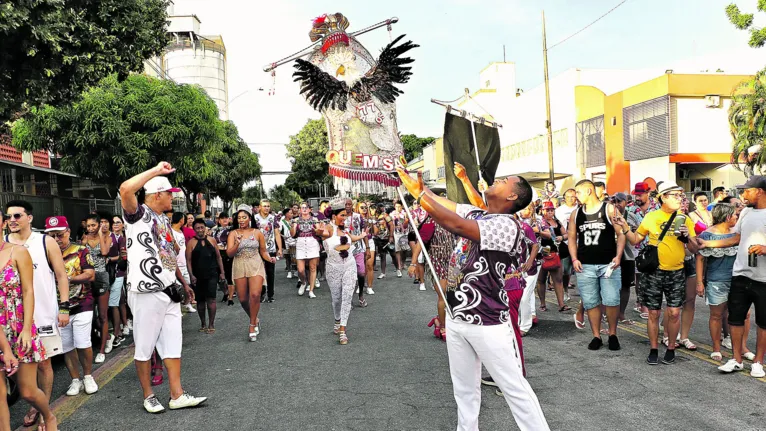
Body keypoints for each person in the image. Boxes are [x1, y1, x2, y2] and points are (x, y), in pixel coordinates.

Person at [397, 167, 549, 431]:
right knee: (464, 390)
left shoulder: (507, 225)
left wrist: (419, 196)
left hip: (487, 321)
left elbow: (454, 223)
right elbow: (446, 204)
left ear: (512, 196)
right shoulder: (479, 213)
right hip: (458, 318)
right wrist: (418, 188)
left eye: (503, 181)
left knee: (514, 388)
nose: (496, 181)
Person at [120, 162, 206, 413]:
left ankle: (176, 394)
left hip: (169, 291)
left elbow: (168, 256)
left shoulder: (162, 220)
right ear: (157, 194)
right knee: (145, 346)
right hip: (146, 291)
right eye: (170, 193)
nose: (173, 197)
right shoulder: (138, 214)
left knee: (172, 343)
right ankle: (148, 395)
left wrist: (181, 282)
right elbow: (125, 188)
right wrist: (157, 171)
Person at [616, 181, 699, 365]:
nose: (680, 199)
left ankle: (671, 348)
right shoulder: (652, 217)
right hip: (653, 272)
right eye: (675, 195)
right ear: (663, 197)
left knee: (674, 313)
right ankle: (653, 348)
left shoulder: (685, 219)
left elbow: (694, 249)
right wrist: (624, 226)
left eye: (680, 195)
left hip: (677, 272)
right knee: (653, 313)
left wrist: (686, 238)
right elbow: (636, 239)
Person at [4, 200, 69, 430]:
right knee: (15, 371)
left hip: (43, 315)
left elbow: (61, 275)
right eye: (9, 216)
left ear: (29, 218)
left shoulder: (45, 241)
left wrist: (63, 307)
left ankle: (43, 412)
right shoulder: (4, 246)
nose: (13, 220)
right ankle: (35, 400)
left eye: (17, 216)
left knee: (44, 365)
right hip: (12, 321)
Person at [699, 176, 766, 377]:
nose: (743, 194)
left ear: (760, 192)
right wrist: (708, 244)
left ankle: (758, 362)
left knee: (763, 322)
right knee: (735, 319)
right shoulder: (745, 212)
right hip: (740, 275)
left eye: (747, 190)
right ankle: (736, 359)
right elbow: (736, 238)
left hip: (764, 279)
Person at [45, 216, 99, 398]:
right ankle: (75, 379)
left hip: (83, 303)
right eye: (52, 236)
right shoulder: (45, 255)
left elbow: (90, 274)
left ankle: (88, 376)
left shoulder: (81, 250)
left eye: (60, 235)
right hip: (59, 308)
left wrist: (66, 279)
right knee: (67, 346)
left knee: (83, 343)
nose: (57, 239)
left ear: (68, 232)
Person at [568, 181, 625, 350]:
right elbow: (571, 237)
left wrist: (618, 256)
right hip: (585, 264)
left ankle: (613, 334)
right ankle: (596, 335)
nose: (575, 196)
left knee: (612, 300)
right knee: (591, 301)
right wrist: (574, 258)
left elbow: (621, 233)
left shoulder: (608, 209)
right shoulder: (576, 213)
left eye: (578, 192)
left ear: (588, 191)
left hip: (608, 264)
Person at [696, 203, 756, 363]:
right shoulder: (707, 234)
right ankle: (716, 348)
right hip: (716, 280)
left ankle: (743, 347)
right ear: (728, 217)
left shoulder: (736, 234)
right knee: (716, 315)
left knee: (745, 315)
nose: (737, 218)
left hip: (738, 279)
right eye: (735, 215)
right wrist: (699, 282)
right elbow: (700, 258)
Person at [227, 205, 275, 341]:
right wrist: (236, 243)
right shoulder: (233, 233)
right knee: (242, 299)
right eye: (239, 218)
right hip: (239, 265)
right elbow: (230, 254)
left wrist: (269, 259)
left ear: (249, 218)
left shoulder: (257, 232)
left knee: (255, 295)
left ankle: (252, 325)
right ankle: (255, 318)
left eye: (244, 217)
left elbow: (263, 251)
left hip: (255, 264)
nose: (241, 220)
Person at [321, 199, 358, 345]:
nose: (345, 218)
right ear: (334, 216)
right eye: (342, 215)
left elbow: (351, 240)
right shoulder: (328, 229)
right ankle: (337, 320)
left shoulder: (346, 229)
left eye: (346, 215)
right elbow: (322, 233)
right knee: (336, 299)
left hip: (349, 266)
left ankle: (343, 330)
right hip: (333, 268)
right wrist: (318, 231)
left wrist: (362, 237)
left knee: (347, 297)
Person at [82, 214, 114, 364]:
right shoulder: (84, 238)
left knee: (102, 316)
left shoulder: (107, 237)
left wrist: (101, 234)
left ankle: (101, 350)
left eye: (93, 225)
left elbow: (105, 252)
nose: (90, 228)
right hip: (88, 278)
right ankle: (107, 336)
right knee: (90, 315)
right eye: (88, 226)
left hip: (101, 277)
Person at [627, 181, 661, 320]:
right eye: (636, 195)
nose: (638, 198)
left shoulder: (658, 207)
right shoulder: (630, 209)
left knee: (653, 276)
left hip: (654, 247)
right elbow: (629, 228)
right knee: (639, 277)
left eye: (640, 195)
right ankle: (642, 303)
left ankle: (651, 302)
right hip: (637, 247)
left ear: (648, 193)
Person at [186, 219, 226, 333]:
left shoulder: (212, 240)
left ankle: (211, 324)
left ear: (205, 228)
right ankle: (203, 323)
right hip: (198, 275)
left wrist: (222, 273)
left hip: (212, 273)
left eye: (202, 227)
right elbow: (188, 261)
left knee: (211, 299)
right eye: (197, 228)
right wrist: (191, 275)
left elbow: (219, 257)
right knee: (200, 301)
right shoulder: (191, 243)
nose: (200, 230)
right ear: (194, 229)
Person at [537, 201, 571, 313]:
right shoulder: (539, 221)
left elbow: (566, 234)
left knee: (558, 279)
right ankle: (542, 304)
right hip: (543, 251)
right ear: (542, 210)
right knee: (542, 278)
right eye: (547, 210)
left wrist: (561, 237)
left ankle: (561, 304)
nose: (550, 212)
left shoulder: (557, 221)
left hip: (556, 251)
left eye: (551, 210)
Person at [612, 193, 639, 324]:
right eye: (614, 201)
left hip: (627, 255)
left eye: (620, 201)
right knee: (610, 285)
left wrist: (631, 230)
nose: (617, 204)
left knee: (626, 285)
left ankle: (621, 314)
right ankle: (609, 313)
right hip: (611, 254)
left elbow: (638, 235)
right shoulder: (608, 215)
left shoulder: (632, 216)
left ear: (626, 202)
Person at [291, 202, 324, 298]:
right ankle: (303, 282)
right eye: (302, 208)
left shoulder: (314, 219)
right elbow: (292, 234)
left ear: (310, 209)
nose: (304, 209)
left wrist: (319, 229)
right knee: (300, 269)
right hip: (301, 243)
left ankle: (311, 290)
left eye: (306, 207)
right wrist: (293, 226)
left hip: (312, 242)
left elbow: (318, 232)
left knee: (313, 267)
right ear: (300, 210)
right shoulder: (296, 220)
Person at [106, 215, 128, 348]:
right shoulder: (107, 237)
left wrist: (109, 259)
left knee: (115, 303)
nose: (115, 224)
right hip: (106, 275)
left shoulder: (122, 239)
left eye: (118, 222)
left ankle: (118, 333)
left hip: (118, 273)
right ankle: (121, 326)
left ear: (123, 225)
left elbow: (124, 256)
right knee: (117, 302)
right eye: (112, 222)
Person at [254, 199, 282, 303]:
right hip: (257, 249)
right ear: (259, 207)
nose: (266, 208)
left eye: (268, 206)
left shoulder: (273, 218)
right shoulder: (254, 218)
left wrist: (279, 248)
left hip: (270, 248)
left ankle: (270, 294)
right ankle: (261, 292)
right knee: (259, 273)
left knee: (270, 273)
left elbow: (277, 233)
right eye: (264, 206)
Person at [343, 199, 370, 307]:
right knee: (347, 276)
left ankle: (361, 295)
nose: (347, 206)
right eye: (345, 204)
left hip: (358, 249)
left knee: (361, 273)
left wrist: (367, 248)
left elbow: (364, 233)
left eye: (349, 204)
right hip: (345, 250)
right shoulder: (340, 217)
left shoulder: (358, 217)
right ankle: (347, 299)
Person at [169, 213, 197, 315]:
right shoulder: (170, 231)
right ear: (181, 220)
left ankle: (187, 303)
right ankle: (178, 307)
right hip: (175, 263)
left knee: (187, 284)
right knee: (177, 287)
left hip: (184, 261)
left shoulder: (181, 231)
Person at [212, 213, 235, 305]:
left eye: (226, 218)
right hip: (217, 254)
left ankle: (230, 297)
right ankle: (225, 293)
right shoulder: (214, 230)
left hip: (228, 253)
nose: (225, 220)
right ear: (219, 220)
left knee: (229, 276)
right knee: (219, 276)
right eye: (222, 218)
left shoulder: (232, 230)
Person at [373, 204, 395, 279]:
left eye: (382, 207)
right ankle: (383, 273)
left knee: (393, 254)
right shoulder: (374, 217)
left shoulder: (385, 215)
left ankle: (398, 269)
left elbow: (391, 225)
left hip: (387, 237)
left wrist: (391, 236)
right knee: (382, 255)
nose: (380, 208)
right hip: (378, 238)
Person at [391, 201, 410, 277]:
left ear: (402, 206)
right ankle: (399, 266)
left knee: (404, 249)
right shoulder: (392, 214)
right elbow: (390, 224)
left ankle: (403, 262)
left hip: (404, 233)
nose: (398, 208)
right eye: (396, 206)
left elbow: (407, 223)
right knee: (397, 250)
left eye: (399, 206)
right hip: (396, 234)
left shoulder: (404, 213)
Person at [280, 208, 297, 280]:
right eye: (290, 213)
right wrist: (283, 237)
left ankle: (296, 270)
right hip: (286, 241)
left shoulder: (294, 221)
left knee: (295, 256)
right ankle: (289, 271)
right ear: (286, 214)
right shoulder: (281, 222)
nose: (292, 214)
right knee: (287, 257)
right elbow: (279, 232)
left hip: (294, 240)